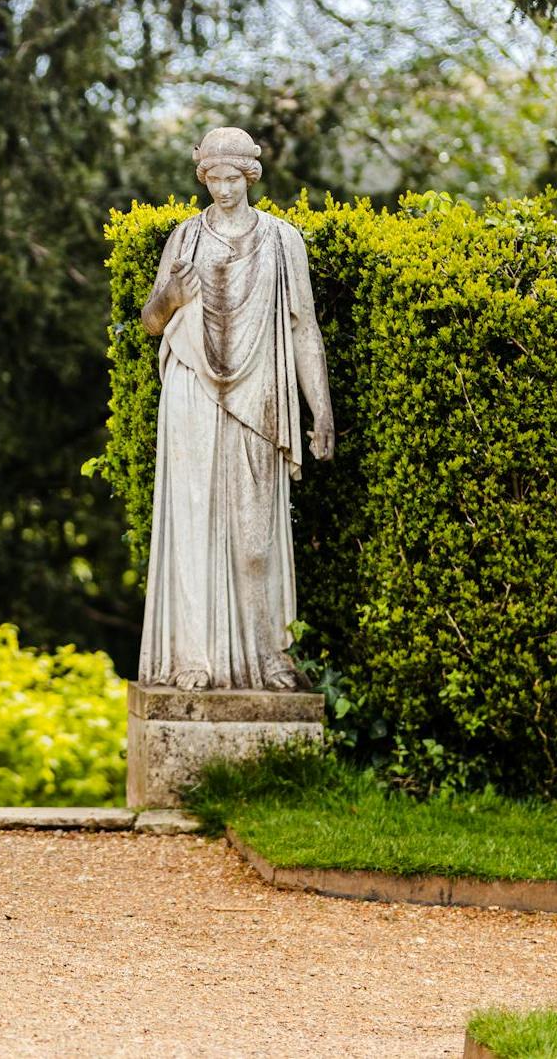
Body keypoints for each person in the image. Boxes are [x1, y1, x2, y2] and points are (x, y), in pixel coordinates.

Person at [137, 126, 333, 691]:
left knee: (255, 536)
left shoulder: (281, 239)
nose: (222, 189)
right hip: (192, 385)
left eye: (233, 178)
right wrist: (171, 296)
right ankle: (194, 656)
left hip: (259, 391)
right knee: (193, 524)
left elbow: (303, 329)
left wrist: (320, 410)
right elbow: (154, 319)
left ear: (250, 176)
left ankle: (271, 653)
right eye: (213, 179)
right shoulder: (185, 237)